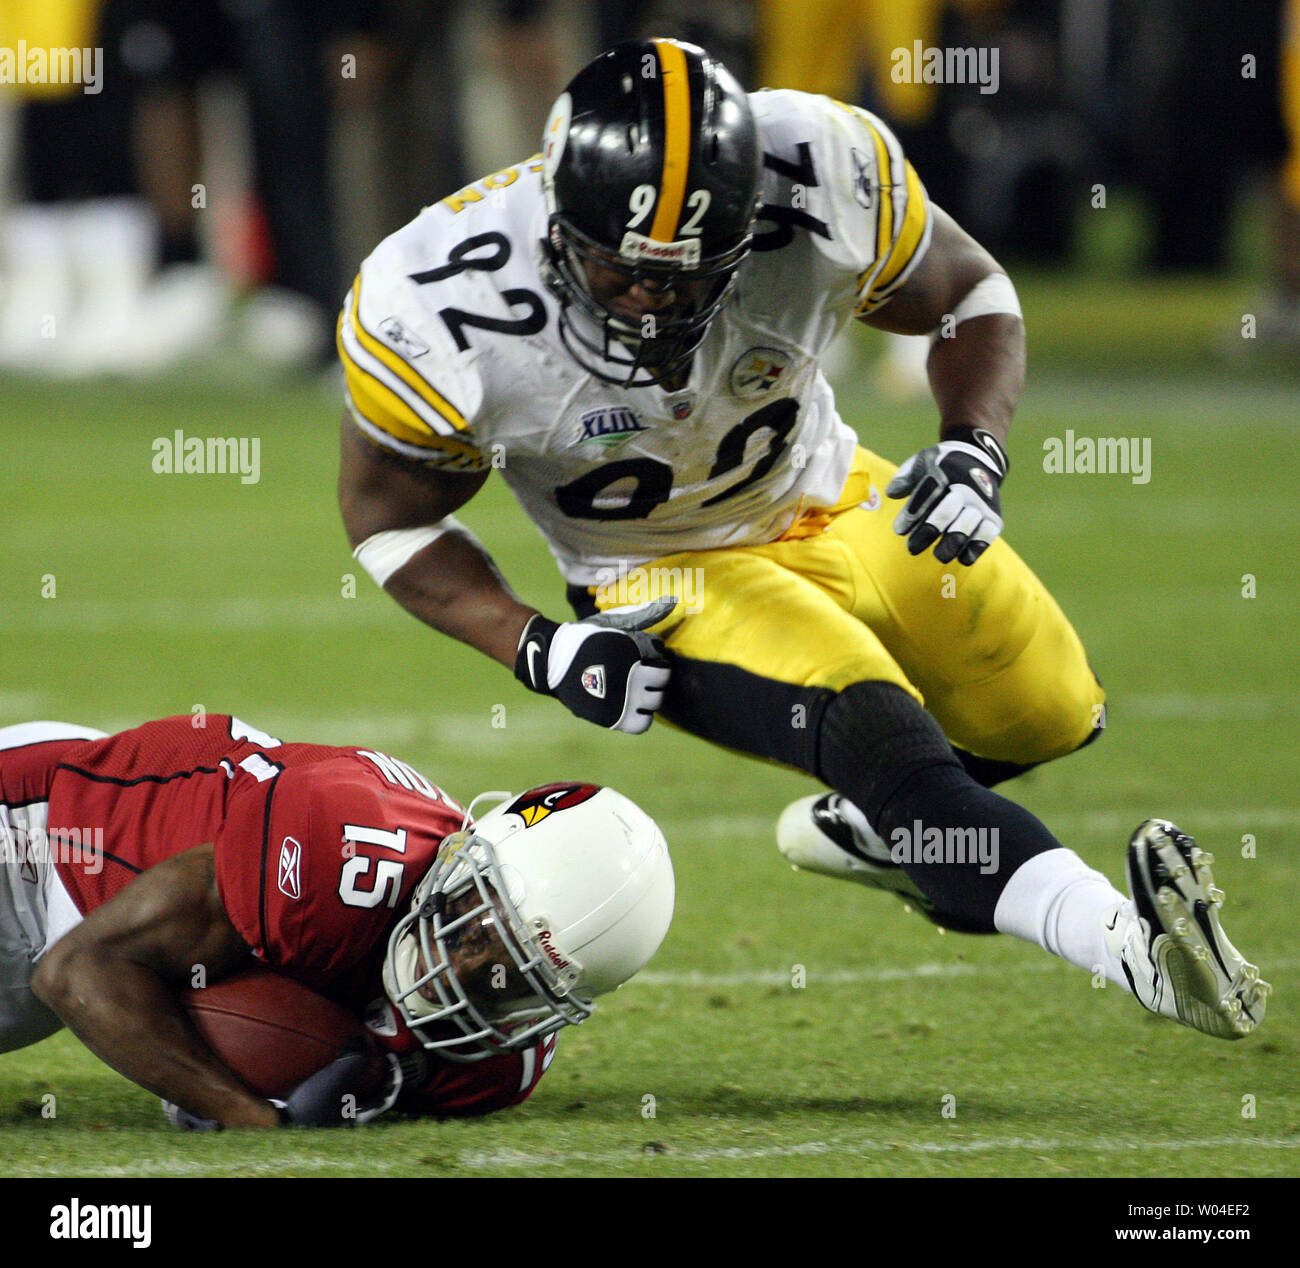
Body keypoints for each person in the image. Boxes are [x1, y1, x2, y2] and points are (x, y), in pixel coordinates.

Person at [335, 39, 1269, 1040]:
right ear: (561, 226)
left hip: (831, 490)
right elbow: (388, 518)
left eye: (689, 276)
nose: (653, 303)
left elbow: (970, 293)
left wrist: (970, 451)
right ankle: (1138, 955)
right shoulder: (439, 302)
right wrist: (536, 643)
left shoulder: (821, 170)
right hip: (660, 569)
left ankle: (889, 829)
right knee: (886, 741)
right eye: (622, 272)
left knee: (1046, 711)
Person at [0, 714, 673, 1128]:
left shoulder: (501, 1063)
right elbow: (80, 969)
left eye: (508, 978)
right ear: (465, 865)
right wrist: (241, 1110)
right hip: (42, 836)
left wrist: (376, 1081)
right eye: (475, 929)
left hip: (99, 919)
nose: (461, 970)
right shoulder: (341, 856)